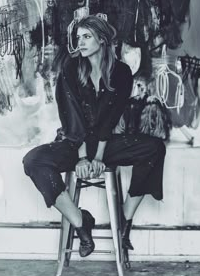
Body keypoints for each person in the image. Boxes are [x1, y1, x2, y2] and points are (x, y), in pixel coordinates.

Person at [23, 15, 166, 258]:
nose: (80, 42)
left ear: (102, 39)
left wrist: (98, 156)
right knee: (33, 161)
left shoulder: (121, 73)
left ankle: (124, 224)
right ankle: (81, 222)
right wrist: (81, 158)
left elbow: (111, 118)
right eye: (78, 37)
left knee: (154, 148)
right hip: (72, 143)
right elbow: (72, 116)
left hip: (106, 144)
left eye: (86, 37)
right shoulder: (70, 67)